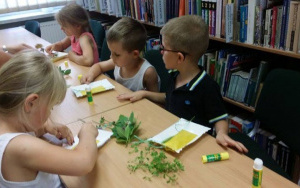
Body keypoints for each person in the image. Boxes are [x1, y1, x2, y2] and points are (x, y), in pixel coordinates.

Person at [117, 15, 248, 153]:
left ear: (179, 57)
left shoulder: (207, 87)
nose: (160, 52)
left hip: (195, 149)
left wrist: (222, 133)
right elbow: (170, 97)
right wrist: (144, 93)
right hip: (172, 140)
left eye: (164, 48)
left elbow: (220, 118)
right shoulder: (174, 75)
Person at [0, 50, 98, 187]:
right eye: (50, 108)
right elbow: (84, 162)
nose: (49, 115)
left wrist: (45, 127)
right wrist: (88, 133)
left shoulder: (6, 126)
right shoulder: (20, 146)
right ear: (31, 103)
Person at [81, 17, 159, 92]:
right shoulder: (117, 62)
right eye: (111, 52)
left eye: (117, 54)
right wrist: (90, 75)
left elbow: (157, 102)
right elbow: (99, 66)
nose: (111, 57)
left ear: (135, 54)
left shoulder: (148, 73)